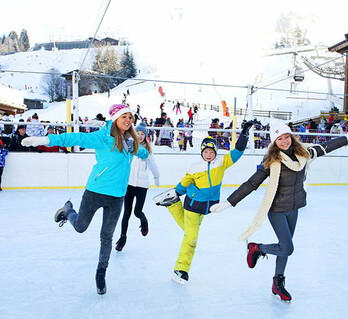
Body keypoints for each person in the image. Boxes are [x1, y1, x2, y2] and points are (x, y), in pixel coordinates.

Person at [209, 121, 348, 302]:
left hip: (294, 208)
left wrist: (347, 138)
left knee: (283, 249)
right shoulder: (271, 162)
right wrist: (228, 203)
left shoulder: (303, 154)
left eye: (286, 136)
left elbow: (326, 147)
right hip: (278, 210)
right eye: (279, 138)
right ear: (274, 142)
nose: (284, 141)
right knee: (287, 248)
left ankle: (277, 283)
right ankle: (257, 248)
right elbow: (251, 184)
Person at [21, 104, 149, 296]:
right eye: (124, 116)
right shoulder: (102, 137)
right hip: (95, 191)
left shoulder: (130, 142)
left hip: (117, 197)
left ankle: (101, 273)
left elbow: (145, 154)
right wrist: (46, 139)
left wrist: (138, 149)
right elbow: (74, 137)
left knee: (107, 237)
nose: (128, 120)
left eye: (130, 117)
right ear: (115, 118)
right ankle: (68, 211)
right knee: (81, 227)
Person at [154, 121, 252, 285]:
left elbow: (238, 151)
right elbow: (184, 183)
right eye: (205, 151)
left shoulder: (221, 163)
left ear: (215, 152)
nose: (208, 154)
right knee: (191, 237)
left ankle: (171, 204)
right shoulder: (195, 167)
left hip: (207, 208)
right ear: (202, 152)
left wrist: (245, 133)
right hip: (192, 207)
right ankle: (181, 269)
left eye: (211, 151)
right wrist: (176, 193)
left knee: (188, 232)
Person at [115, 124, 160, 251]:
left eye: (142, 134)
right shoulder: (129, 147)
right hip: (129, 185)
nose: (140, 136)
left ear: (145, 136)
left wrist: (157, 177)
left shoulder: (147, 151)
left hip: (142, 186)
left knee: (137, 212)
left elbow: (153, 165)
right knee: (127, 213)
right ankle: (122, 238)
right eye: (138, 133)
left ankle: (143, 220)